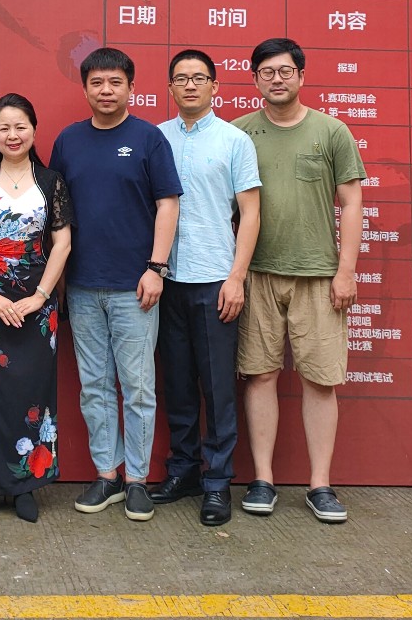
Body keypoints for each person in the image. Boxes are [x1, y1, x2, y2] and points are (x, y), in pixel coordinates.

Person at [233, 37, 365, 524]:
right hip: (257, 274)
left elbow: (351, 202)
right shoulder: (239, 133)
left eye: (285, 71)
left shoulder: (331, 131)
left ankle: (320, 485)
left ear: (301, 76)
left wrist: (345, 270)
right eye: (266, 72)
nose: (276, 79)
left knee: (320, 380)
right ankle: (263, 479)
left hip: (318, 276)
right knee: (260, 375)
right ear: (255, 79)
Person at [49, 48, 181, 522]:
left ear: (131, 87)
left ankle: (137, 480)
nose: (106, 91)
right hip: (82, 286)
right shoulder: (68, 141)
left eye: (115, 82)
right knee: (95, 386)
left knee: (138, 387)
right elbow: (56, 213)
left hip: (135, 286)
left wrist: (156, 267)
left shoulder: (148, 138)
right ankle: (107, 474)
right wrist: (58, 280)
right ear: (85, 88)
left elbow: (168, 204)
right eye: (97, 83)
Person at [150, 50, 261, 527]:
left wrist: (236, 278)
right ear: (170, 88)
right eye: (181, 78)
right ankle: (183, 471)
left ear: (215, 86)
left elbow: (250, 213)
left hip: (216, 278)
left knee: (217, 389)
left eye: (199, 78)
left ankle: (217, 482)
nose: (190, 85)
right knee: (176, 384)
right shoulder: (156, 138)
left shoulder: (235, 140)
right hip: (167, 279)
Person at [0, 93, 73, 523]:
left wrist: (40, 296)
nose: (12, 135)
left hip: (38, 302)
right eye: (4, 127)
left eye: (20, 126)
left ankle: (26, 485)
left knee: (34, 389)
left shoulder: (51, 181)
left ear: (34, 131)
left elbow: (62, 243)